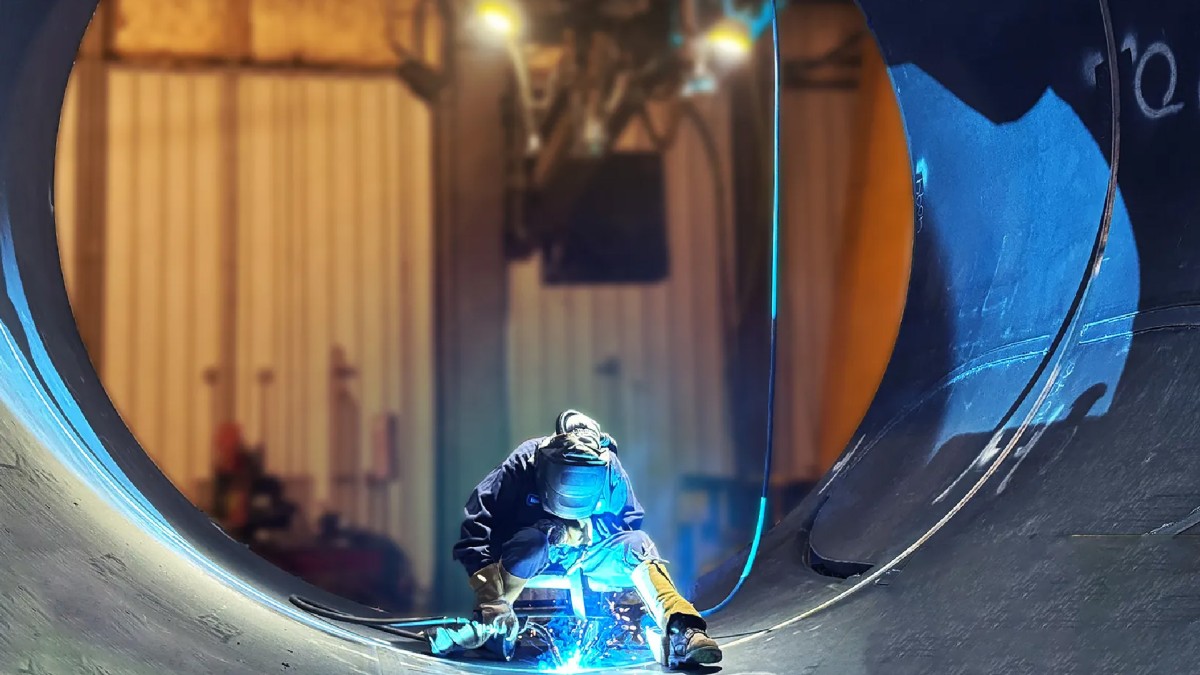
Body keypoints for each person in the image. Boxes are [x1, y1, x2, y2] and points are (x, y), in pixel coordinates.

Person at [431, 410, 722, 668]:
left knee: (638, 544)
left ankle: (683, 630)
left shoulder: (609, 471)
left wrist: (584, 533)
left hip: (589, 554)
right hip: (532, 555)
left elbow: (630, 523)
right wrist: (490, 599)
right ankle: (494, 628)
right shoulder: (524, 462)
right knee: (532, 544)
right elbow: (477, 523)